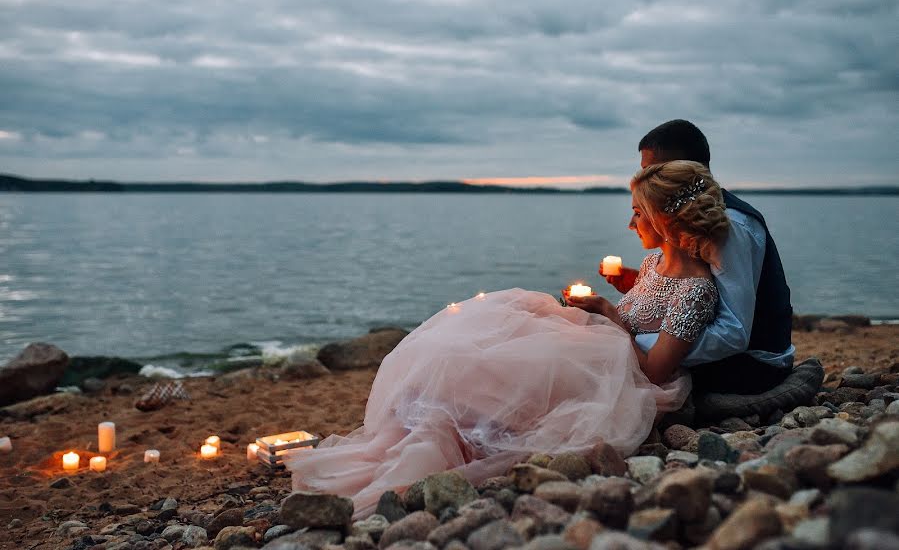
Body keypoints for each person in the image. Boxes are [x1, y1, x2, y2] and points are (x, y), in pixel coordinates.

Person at [286, 160, 729, 518]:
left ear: (664, 219)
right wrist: (604, 301)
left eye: (638, 211)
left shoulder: (697, 291)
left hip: (620, 373)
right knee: (477, 336)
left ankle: (453, 430)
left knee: (497, 362)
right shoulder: (653, 266)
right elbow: (640, 314)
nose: (632, 222)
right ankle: (434, 420)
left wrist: (608, 313)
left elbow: (655, 371)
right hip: (596, 347)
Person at [602, 119, 795, 395]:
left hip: (754, 362)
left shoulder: (731, 225)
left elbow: (734, 331)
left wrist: (632, 340)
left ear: (684, 168)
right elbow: (690, 288)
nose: (646, 179)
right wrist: (642, 285)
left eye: (653, 170)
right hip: (714, 350)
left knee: (601, 356)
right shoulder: (681, 217)